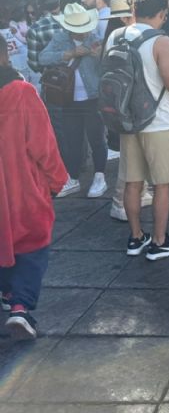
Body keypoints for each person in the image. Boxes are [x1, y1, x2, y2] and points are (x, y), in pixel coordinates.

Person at [105, 0, 169, 260]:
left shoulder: (116, 35)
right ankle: (160, 242)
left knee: (132, 182)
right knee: (162, 184)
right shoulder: (161, 41)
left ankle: (136, 237)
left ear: (134, 10)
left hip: (128, 119)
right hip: (158, 122)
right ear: (162, 14)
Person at [0, 34, 68, 339]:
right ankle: (20, 307)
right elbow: (44, 145)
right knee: (31, 243)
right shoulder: (21, 92)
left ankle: (6, 292)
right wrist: (57, 180)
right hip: (21, 185)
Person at [39, 3, 108, 199]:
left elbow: (106, 68)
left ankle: (100, 176)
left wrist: (99, 56)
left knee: (96, 138)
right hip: (68, 99)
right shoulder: (61, 38)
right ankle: (74, 177)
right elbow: (43, 57)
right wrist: (68, 54)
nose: (82, 34)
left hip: (93, 97)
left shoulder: (96, 40)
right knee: (72, 140)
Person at [101, 0, 155, 221]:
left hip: (118, 104)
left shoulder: (112, 37)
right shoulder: (127, 37)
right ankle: (119, 202)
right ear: (126, 17)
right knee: (129, 160)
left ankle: (138, 194)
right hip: (131, 105)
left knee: (133, 156)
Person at [1, 4, 32, 83]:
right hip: (23, 64)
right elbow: (24, 45)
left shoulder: (13, 30)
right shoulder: (12, 30)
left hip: (9, 69)